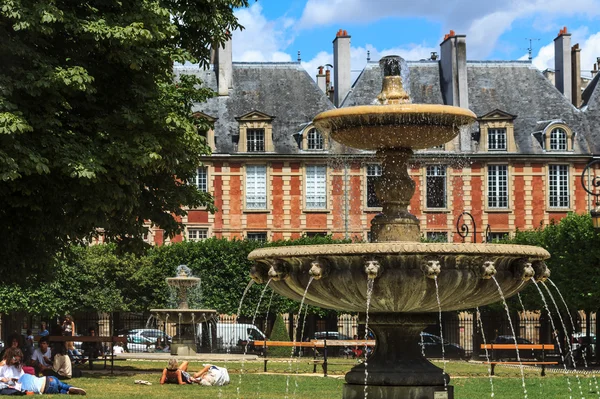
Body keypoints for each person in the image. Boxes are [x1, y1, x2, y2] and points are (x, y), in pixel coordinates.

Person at [18, 373, 86, 395]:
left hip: (45, 390)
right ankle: (69, 387)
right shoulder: (25, 375)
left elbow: (30, 393)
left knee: (57, 391)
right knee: (61, 384)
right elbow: (35, 377)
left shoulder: (20, 388)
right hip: (48, 380)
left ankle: (66, 392)